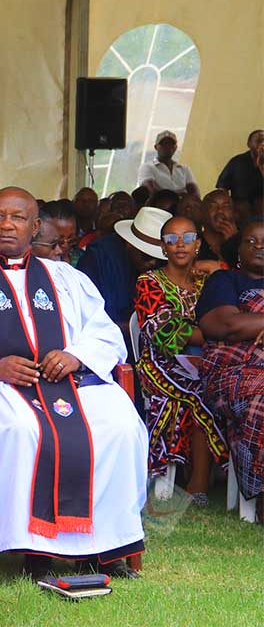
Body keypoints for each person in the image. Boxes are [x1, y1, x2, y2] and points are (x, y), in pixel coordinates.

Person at [0, 187, 147, 579]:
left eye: (18, 217)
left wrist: (76, 355)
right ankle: (36, 551)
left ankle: (104, 550)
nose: (7, 225)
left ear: (35, 227)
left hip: (72, 383)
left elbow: (106, 334)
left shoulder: (66, 277)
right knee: (21, 429)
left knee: (119, 425)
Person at [134, 216, 227, 503]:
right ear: (163, 247)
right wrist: (218, 333)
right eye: (171, 239)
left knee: (218, 383)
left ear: (197, 244)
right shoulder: (148, 282)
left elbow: (234, 299)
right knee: (202, 391)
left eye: (187, 238)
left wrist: (218, 267)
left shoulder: (208, 281)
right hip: (160, 363)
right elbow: (166, 333)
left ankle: (206, 477)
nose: (180, 245)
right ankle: (199, 483)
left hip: (206, 361)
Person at [197, 218, 264, 511]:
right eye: (251, 241)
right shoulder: (224, 281)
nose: (260, 246)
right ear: (238, 249)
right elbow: (227, 325)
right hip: (230, 374)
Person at [77, 206, 169, 328]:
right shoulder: (97, 258)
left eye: (159, 258)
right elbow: (85, 315)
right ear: (130, 244)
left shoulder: (162, 268)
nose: (153, 263)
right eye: (147, 256)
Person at [136, 131, 199, 197]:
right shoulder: (147, 167)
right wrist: (182, 195)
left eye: (171, 144)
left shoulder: (185, 169)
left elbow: (195, 193)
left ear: (175, 147)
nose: (167, 146)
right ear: (156, 147)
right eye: (163, 144)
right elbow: (150, 191)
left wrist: (163, 192)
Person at [215, 129, 264, 210]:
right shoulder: (236, 162)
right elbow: (222, 187)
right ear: (249, 144)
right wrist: (227, 206)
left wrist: (261, 165)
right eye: (259, 141)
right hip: (239, 209)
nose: (262, 144)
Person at [199, 189, 239, 263]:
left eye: (226, 206)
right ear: (202, 213)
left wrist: (234, 242)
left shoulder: (243, 243)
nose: (220, 211)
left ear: (233, 213)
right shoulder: (194, 243)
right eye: (213, 206)